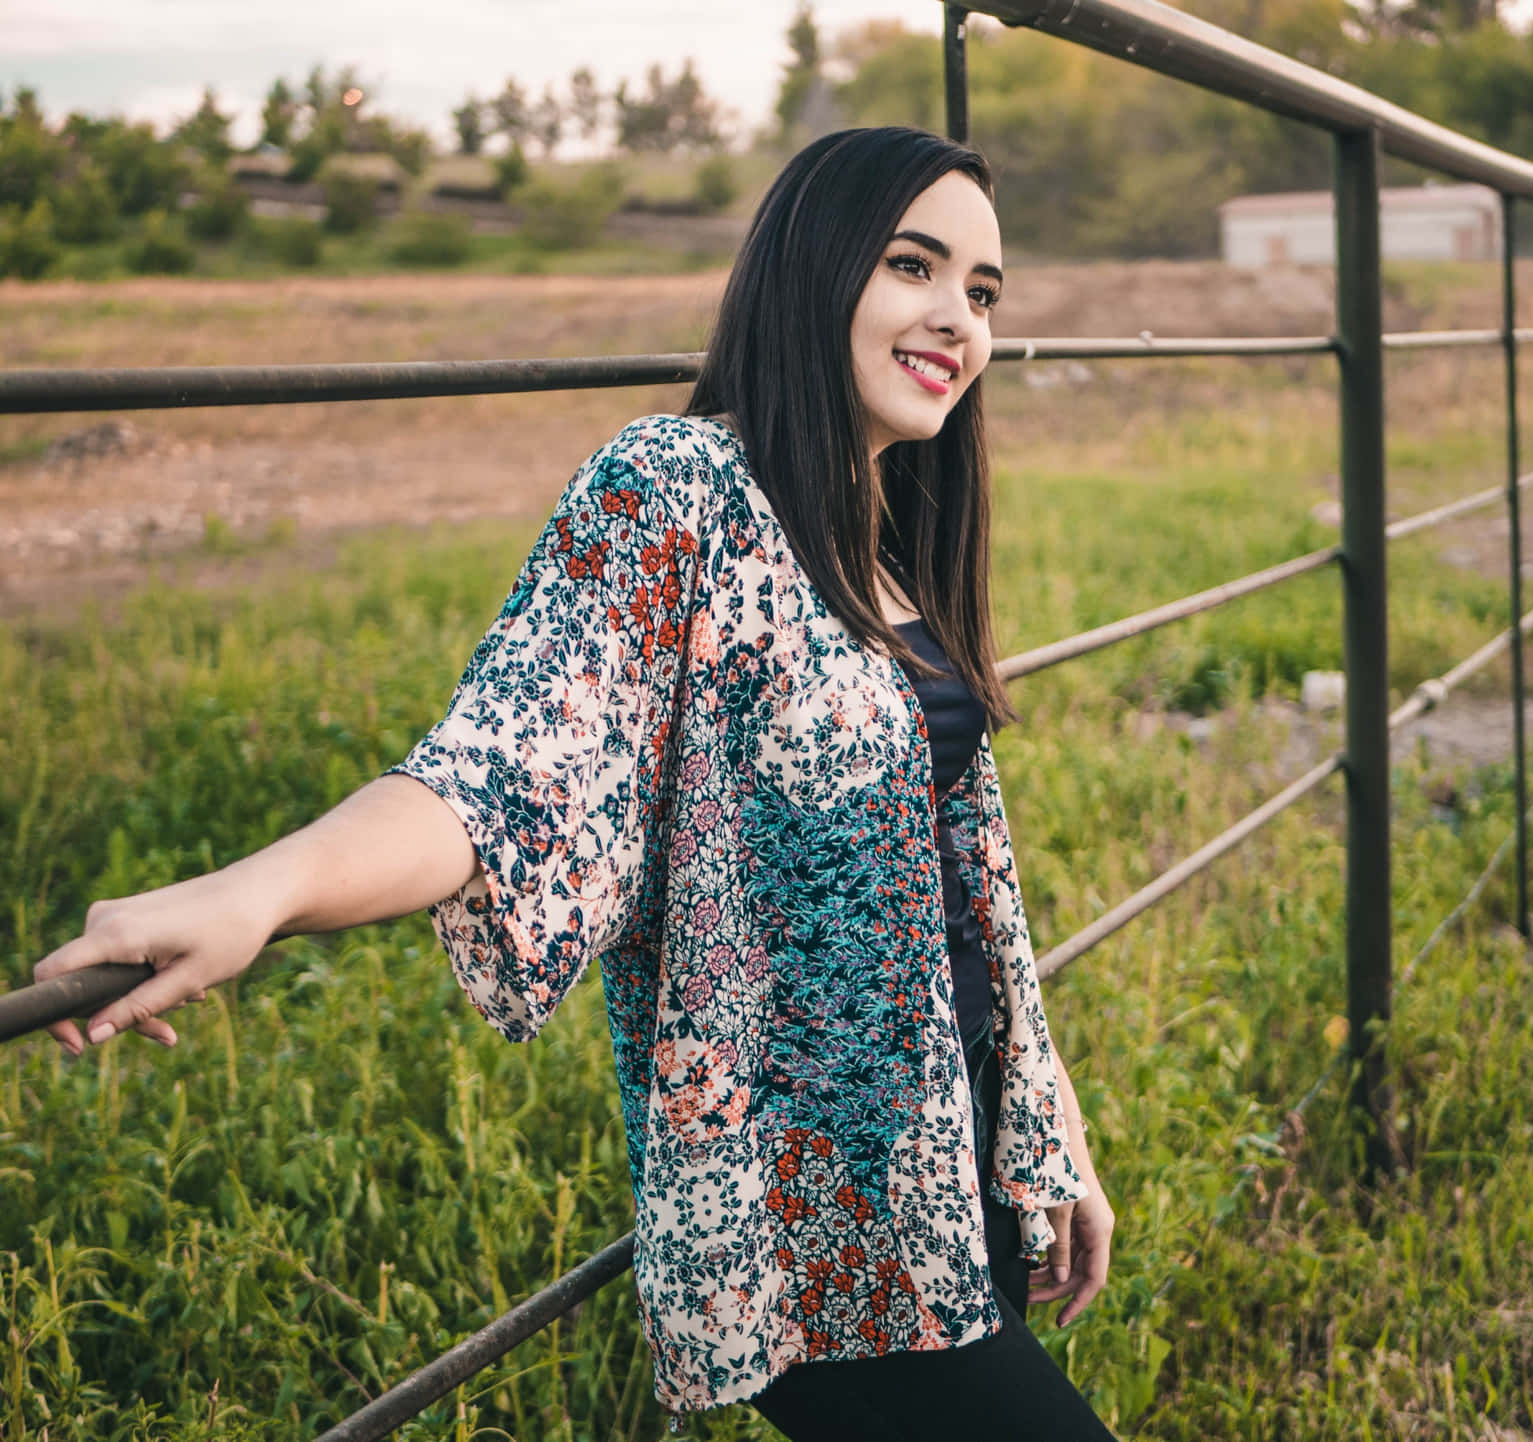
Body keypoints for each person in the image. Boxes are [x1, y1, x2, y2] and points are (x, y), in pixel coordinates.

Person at [33, 126, 1119, 1440]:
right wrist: (255, 892)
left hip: (963, 1167)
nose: (958, 317)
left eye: (986, 292)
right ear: (815, 272)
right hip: (825, 1227)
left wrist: (1046, 1127)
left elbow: (967, 879)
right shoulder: (677, 489)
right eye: (913, 266)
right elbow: (502, 771)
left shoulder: (894, 538)